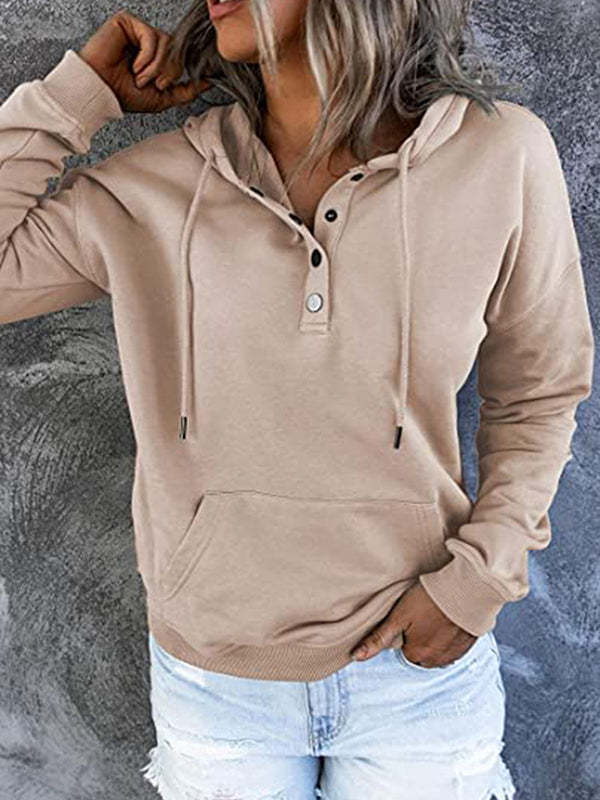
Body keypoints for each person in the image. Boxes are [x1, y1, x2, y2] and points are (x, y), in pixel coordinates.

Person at [0, 0, 593, 797]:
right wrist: (76, 96)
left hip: (417, 669)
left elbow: (540, 390)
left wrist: (480, 580)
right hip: (217, 680)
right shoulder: (155, 187)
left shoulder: (500, 154)